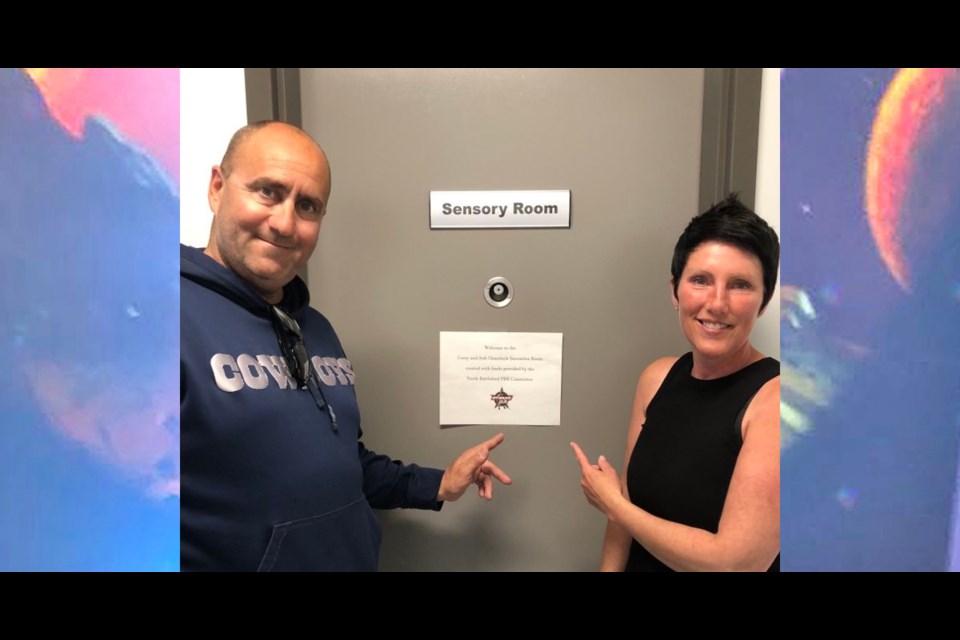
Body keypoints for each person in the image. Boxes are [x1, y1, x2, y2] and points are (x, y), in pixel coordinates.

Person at [181, 120, 511, 571]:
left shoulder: (314, 329)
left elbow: (343, 464)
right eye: (268, 192)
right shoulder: (159, 320)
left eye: (308, 206)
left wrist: (438, 485)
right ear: (218, 188)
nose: (284, 222)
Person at [571, 194, 780, 571]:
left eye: (740, 285)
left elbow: (735, 564)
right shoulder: (657, 378)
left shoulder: (776, 399)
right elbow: (627, 512)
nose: (716, 303)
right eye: (700, 280)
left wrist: (613, 505)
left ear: (763, 303)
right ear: (675, 291)